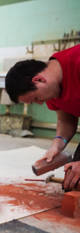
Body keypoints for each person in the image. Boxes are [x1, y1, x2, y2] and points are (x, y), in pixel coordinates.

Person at [5, 44, 80, 190]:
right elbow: (66, 119)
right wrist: (57, 144)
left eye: (36, 98)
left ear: (38, 80)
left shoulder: (77, 61)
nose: (40, 103)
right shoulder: (52, 89)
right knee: (74, 180)